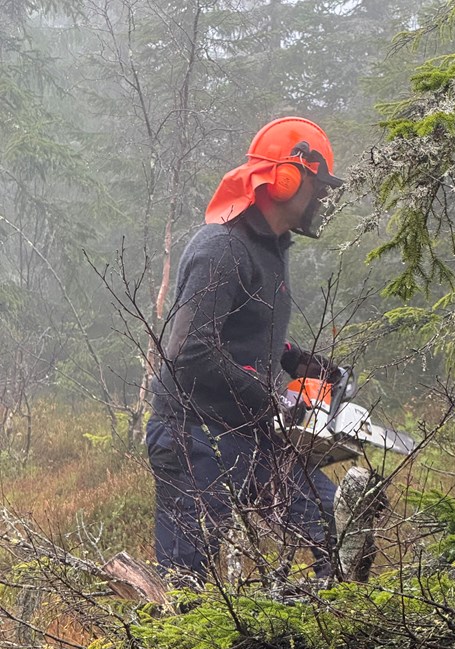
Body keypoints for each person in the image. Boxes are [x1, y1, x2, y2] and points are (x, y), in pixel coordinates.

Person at [146, 116, 344, 584]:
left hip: (246, 431)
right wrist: (274, 398)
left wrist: (294, 359)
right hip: (195, 435)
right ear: (288, 178)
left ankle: (335, 629)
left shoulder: (271, 248)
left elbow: (242, 328)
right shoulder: (222, 248)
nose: (321, 198)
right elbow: (191, 352)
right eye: (317, 187)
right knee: (184, 590)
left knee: (325, 514)